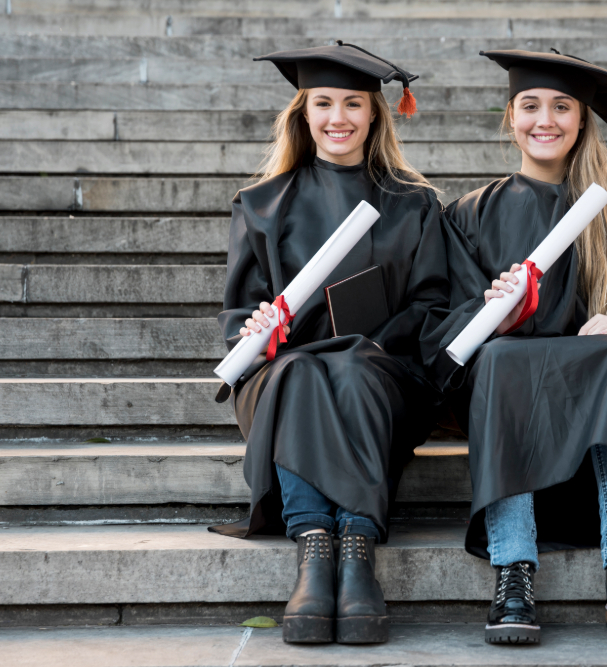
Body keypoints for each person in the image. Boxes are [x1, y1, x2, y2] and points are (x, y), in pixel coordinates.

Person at [423, 49, 607, 646]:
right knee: (504, 359)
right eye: (531, 106)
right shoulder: (468, 215)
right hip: (517, 405)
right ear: (509, 116)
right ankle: (512, 570)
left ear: (583, 119)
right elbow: (441, 329)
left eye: (562, 107)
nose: (546, 120)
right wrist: (492, 315)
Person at [210, 42, 449, 645]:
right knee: (304, 372)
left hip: (383, 372)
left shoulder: (413, 204)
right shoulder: (261, 206)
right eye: (323, 102)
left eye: (353, 103)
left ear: (374, 115)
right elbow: (240, 312)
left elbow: (432, 307)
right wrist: (257, 327)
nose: (337, 116)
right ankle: (318, 551)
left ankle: (356, 546)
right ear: (303, 112)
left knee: (348, 368)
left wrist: (363, 337)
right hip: (281, 376)